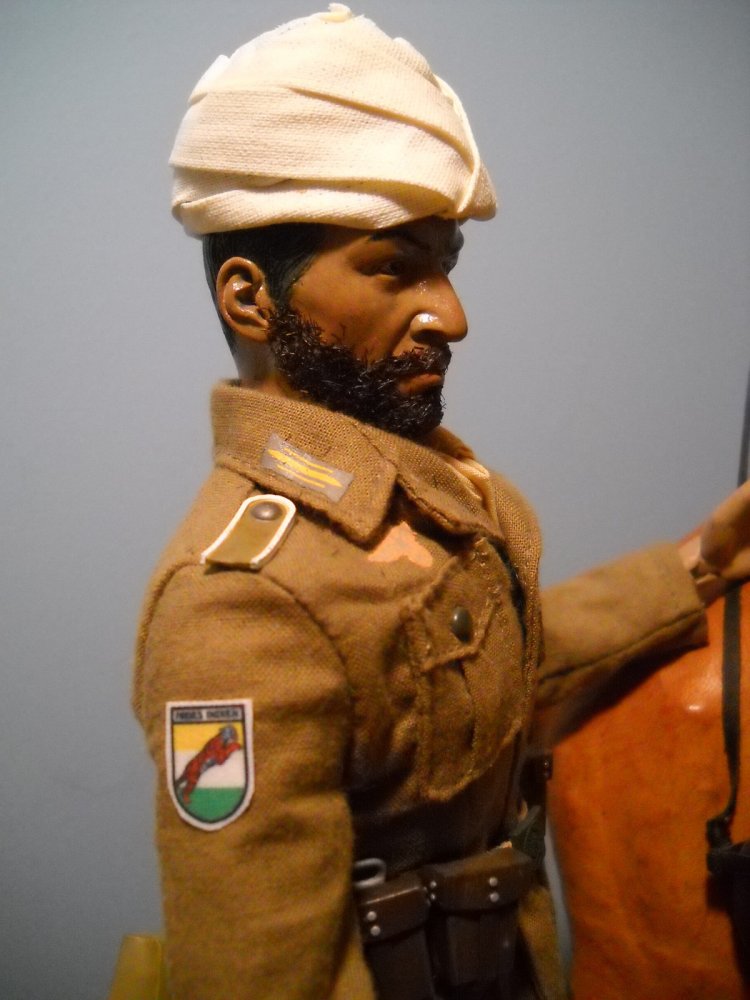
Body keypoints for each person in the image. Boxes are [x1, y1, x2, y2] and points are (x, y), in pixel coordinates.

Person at [133, 6, 750, 998]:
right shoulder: (241, 605)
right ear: (252, 300)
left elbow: (489, 676)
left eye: (444, 267)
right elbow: (264, 971)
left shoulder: (418, 502)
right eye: (393, 269)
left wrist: (701, 563)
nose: (450, 317)